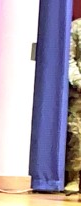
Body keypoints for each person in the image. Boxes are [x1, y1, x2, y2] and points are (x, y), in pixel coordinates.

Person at [68, 18, 81, 194]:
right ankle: (75, 180)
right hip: (79, 93)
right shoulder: (77, 26)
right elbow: (69, 59)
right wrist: (78, 81)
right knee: (77, 136)